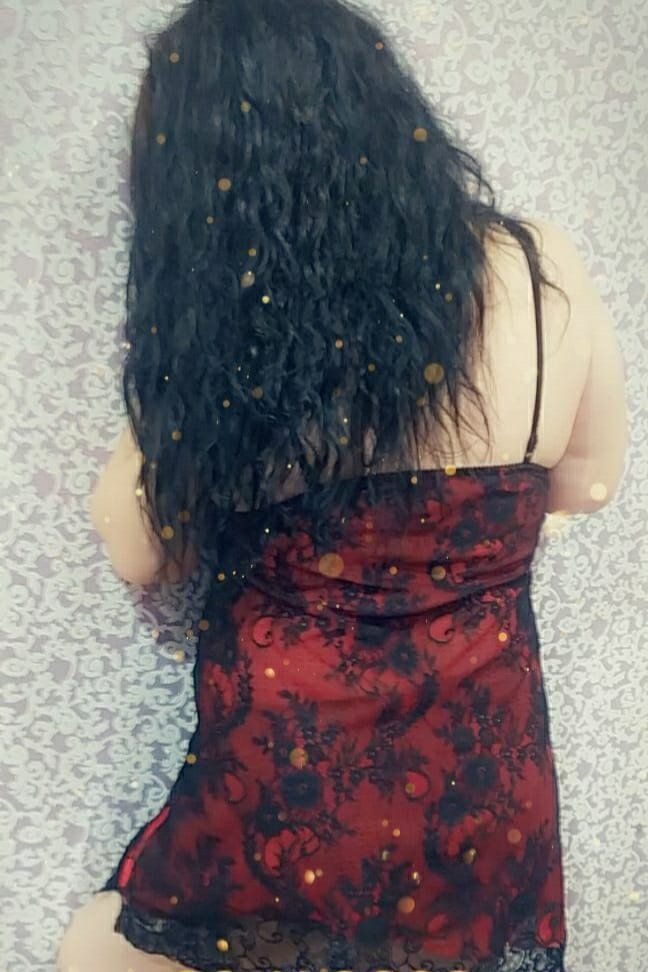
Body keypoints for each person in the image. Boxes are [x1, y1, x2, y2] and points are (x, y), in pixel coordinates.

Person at [56, 0, 628, 970]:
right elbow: (591, 482)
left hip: (289, 807)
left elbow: (138, 551)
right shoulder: (541, 270)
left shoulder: (232, 327)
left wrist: (174, 349)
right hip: (482, 804)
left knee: (93, 954)